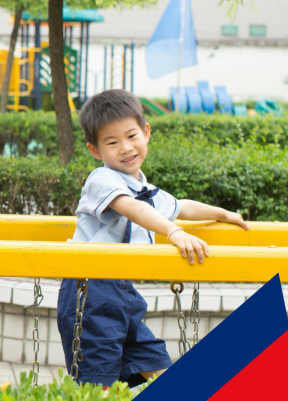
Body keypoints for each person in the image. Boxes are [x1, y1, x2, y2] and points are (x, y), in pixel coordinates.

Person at [57, 89, 250, 386]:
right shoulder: (102, 180)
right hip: (90, 291)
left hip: (122, 291)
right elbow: (131, 208)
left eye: (131, 136)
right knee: (98, 383)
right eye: (112, 142)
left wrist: (224, 214)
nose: (125, 148)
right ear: (95, 150)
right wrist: (174, 231)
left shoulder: (143, 188)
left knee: (157, 366)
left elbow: (181, 206)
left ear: (146, 133)